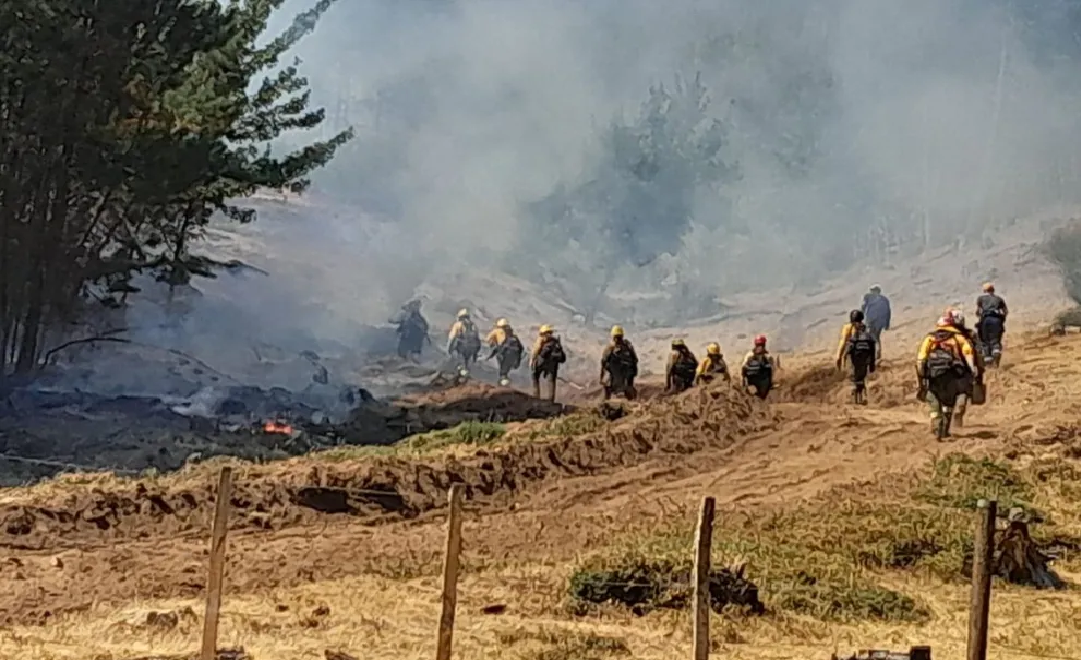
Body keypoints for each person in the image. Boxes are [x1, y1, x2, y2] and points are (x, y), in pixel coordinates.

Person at [916, 315, 978, 439]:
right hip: (952, 374)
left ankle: (935, 425)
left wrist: (922, 375)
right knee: (948, 402)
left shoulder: (930, 338)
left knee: (933, 398)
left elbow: (921, 358)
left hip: (934, 376)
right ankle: (944, 429)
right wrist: (972, 369)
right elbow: (968, 354)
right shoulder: (958, 337)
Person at [945, 308, 984, 428]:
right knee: (960, 395)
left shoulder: (943, 335)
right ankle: (953, 419)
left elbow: (978, 352)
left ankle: (953, 422)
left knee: (956, 398)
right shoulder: (969, 334)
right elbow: (979, 352)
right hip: (958, 370)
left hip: (956, 370)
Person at [836, 309, 877, 405]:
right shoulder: (863, 329)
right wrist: (872, 361)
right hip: (864, 355)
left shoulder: (847, 328)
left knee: (854, 375)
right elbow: (871, 344)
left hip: (853, 354)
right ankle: (861, 395)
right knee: (861, 375)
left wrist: (839, 356)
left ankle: (855, 397)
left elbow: (843, 342)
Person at [600, 325, 639, 400]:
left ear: (613, 337)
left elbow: (603, 363)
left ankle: (606, 402)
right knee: (629, 390)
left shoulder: (609, 348)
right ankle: (632, 402)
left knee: (607, 388)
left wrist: (601, 378)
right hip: (626, 379)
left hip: (613, 379)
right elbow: (635, 361)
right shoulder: (628, 347)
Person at [530, 325, 566, 402]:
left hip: (541, 362)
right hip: (553, 365)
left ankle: (536, 397)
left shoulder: (541, 341)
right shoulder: (556, 342)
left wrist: (532, 363)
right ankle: (551, 401)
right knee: (551, 382)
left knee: (535, 377)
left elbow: (535, 352)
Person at [975, 283, 1008, 366]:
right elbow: (1005, 311)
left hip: (985, 320)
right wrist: (1002, 320)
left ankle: (988, 358)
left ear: (984, 291)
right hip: (997, 320)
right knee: (995, 339)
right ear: (993, 290)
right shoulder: (999, 299)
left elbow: (978, 312)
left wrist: (980, 318)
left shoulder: (980, 299)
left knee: (985, 340)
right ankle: (996, 350)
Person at [486, 318, 523, 386]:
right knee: (506, 369)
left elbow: (488, 339)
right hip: (514, 355)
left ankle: (503, 383)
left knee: (502, 370)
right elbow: (521, 347)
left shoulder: (496, 331)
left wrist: (493, 346)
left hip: (503, 353)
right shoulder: (512, 333)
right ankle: (505, 381)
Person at [741, 335, 775, 400]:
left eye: (761, 345)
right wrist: (743, 381)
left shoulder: (768, 357)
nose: (760, 347)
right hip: (752, 380)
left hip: (763, 380)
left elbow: (772, 370)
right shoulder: (750, 355)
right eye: (759, 345)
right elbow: (743, 368)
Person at [861, 285, 891, 360]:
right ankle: (878, 351)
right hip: (881, 322)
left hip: (871, 320)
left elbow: (863, 306)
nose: (871, 291)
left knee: (870, 336)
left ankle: (874, 352)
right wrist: (887, 323)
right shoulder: (885, 299)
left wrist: (859, 318)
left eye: (872, 290)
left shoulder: (868, 296)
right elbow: (888, 312)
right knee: (876, 336)